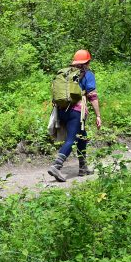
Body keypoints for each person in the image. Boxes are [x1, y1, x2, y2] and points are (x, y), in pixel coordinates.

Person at [48, 49, 102, 182]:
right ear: (87, 62)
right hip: (76, 111)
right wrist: (98, 115)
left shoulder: (65, 73)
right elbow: (92, 96)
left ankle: (83, 167)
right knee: (71, 139)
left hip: (62, 110)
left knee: (82, 136)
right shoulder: (87, 74)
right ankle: (56, 166)